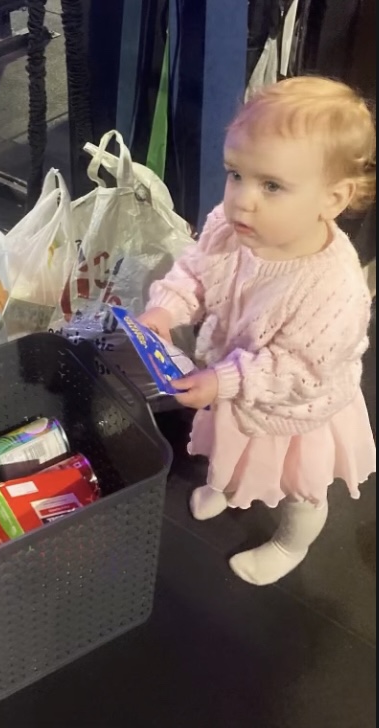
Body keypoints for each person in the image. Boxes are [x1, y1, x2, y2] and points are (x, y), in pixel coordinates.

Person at [139, 76, 376, 586]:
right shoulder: (230, 227)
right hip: (231, 382)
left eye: (271, 185)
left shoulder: (334, 287)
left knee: (300, 486)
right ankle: (226, 486)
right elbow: (195, 272)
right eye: (235, 174)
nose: (242, 200)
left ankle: (292, 541)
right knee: (229, 448)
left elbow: (296, 371)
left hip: (293, 411)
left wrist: (224, 382)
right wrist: (164, 311)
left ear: (332, 199)